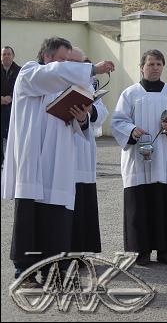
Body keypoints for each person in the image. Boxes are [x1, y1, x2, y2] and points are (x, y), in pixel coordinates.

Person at [1, 37, 114, 285]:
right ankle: (25, 271)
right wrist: (91, 68)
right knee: (30, 219)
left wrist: (82, 118)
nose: (66, 65)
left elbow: (79, 125)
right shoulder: (29, 73)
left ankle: (56, 271)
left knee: (57, 220)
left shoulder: (66, 86)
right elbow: (53, 74)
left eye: (68, 61)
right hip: (32, 161)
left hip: (59, 161)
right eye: (62, 59)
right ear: (47, 57)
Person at [111, 49, 167, 266]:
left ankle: (165, 250)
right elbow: (117, 121)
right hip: (138, 157)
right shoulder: (130, 93)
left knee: (164, 201)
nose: (155, 68)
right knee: (140, 203)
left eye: (158, 64)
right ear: (141, 67)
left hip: (164, 157)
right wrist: (131, 129)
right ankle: (141, 250)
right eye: (150, 64)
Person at [68, 48, 109, 253]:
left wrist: (91, 109)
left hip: (84, 150)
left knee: (83, 201)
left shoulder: (90, 85)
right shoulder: (55, 83)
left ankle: (83, 250)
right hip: (63, 151)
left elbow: (102, 112)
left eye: (84, 63)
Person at [1, 46, 20, 167]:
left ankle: (12, 162)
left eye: (8, 54)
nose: (6, 56)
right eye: (4, 54)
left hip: (13, 109)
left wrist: (12, 98)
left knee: (12, 138)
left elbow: (22, 88)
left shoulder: (20, 71)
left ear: (13, 56)